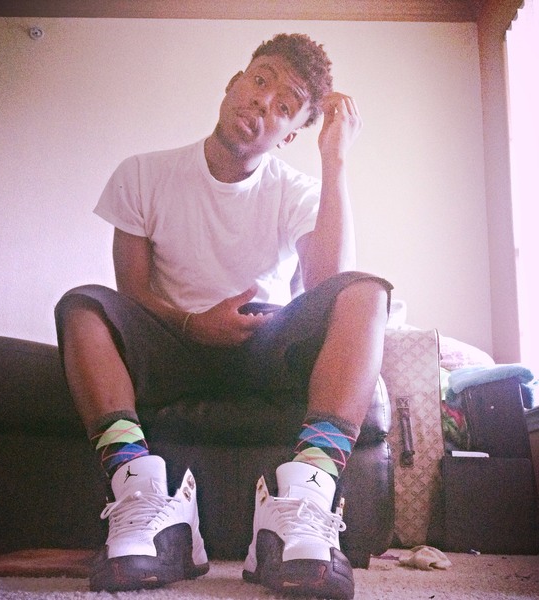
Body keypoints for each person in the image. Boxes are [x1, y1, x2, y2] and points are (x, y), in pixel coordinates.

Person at [55, 32, 392, 600]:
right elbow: (131, 294)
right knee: (83, 304)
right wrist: (193, 325)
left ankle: (305, 497)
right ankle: (141, 493)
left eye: (285, 106)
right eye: (260, 80)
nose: (263, 100)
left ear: (289, 134)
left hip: (264, 348)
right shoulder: (141, 174)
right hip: (172, 343)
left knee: (366, 292)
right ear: (234, 83)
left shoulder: (296, 191)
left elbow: (329, 286)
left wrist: (334, 160)